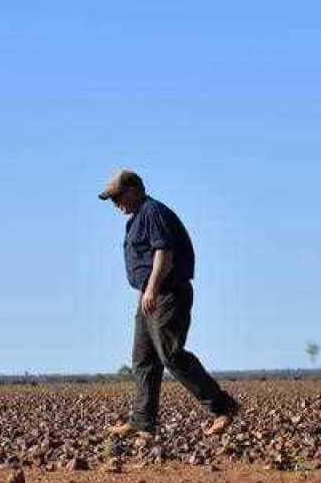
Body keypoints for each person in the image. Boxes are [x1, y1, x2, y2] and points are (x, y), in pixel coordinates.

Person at [99, 169, 239, 440]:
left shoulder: (153, 212)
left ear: (133, 189)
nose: (115, 204)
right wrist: (146, 292)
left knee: (171, 354)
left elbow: (164, 253)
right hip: (149, 295)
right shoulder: (137, 218)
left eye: (117, 197)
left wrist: (151, 288)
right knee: (143, 360)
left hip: (166, 292)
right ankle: (142, 421)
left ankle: (223, 407)